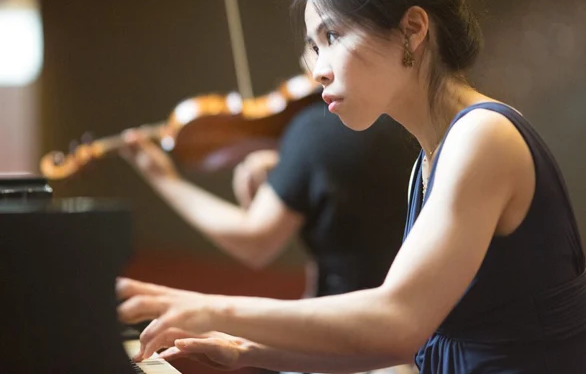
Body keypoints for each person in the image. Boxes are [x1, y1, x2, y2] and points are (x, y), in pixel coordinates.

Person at [116, 0, 586, 372]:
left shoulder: (484, 135)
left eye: (332, 37)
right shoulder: (428, 160)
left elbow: (397, 322)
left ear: (413, 29)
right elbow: (396, 336)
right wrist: (247, 351)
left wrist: (212, 308)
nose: (318, 70)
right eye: (313, 47)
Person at [121, 68, 417, 373]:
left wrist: (164, 180)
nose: (316, 66)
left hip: (345, 332)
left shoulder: (317, 128)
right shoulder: (410, 123)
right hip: (410, 338)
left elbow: (255, 242)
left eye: (326, 37)